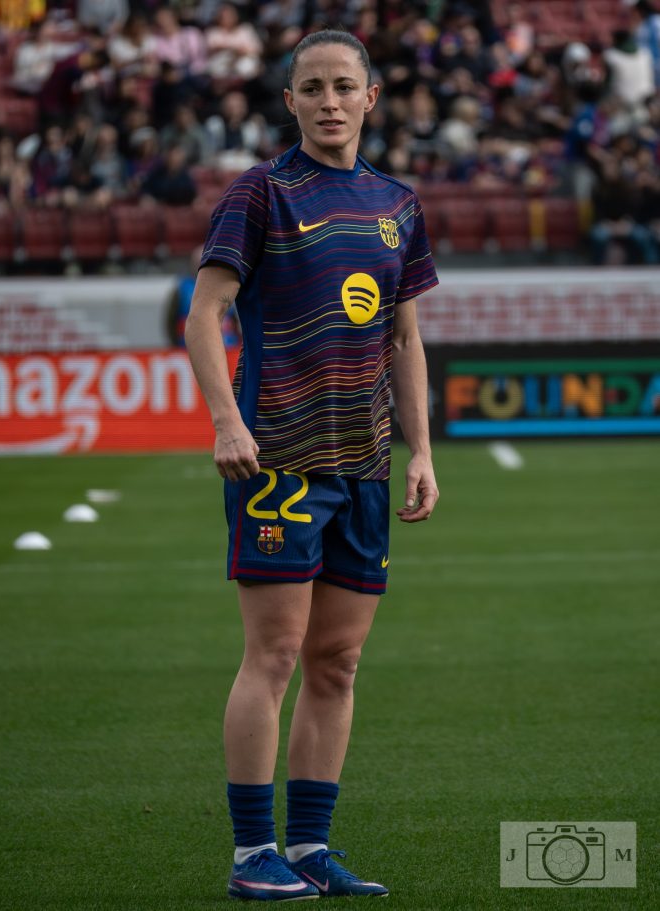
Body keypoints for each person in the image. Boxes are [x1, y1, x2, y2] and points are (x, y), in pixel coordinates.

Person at [185, 29, 440, 902]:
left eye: (343, 85)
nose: (329, 100)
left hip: (364, 464)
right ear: (289, 100)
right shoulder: (260, 193)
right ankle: (252, 852)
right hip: (278, 463)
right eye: (312, 87)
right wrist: (227, 422)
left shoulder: (397, 203)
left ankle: (309, 847)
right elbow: (204, 313)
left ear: (371, 97)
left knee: (337, 661)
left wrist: (420, 450)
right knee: (275, 652)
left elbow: (403, 337)